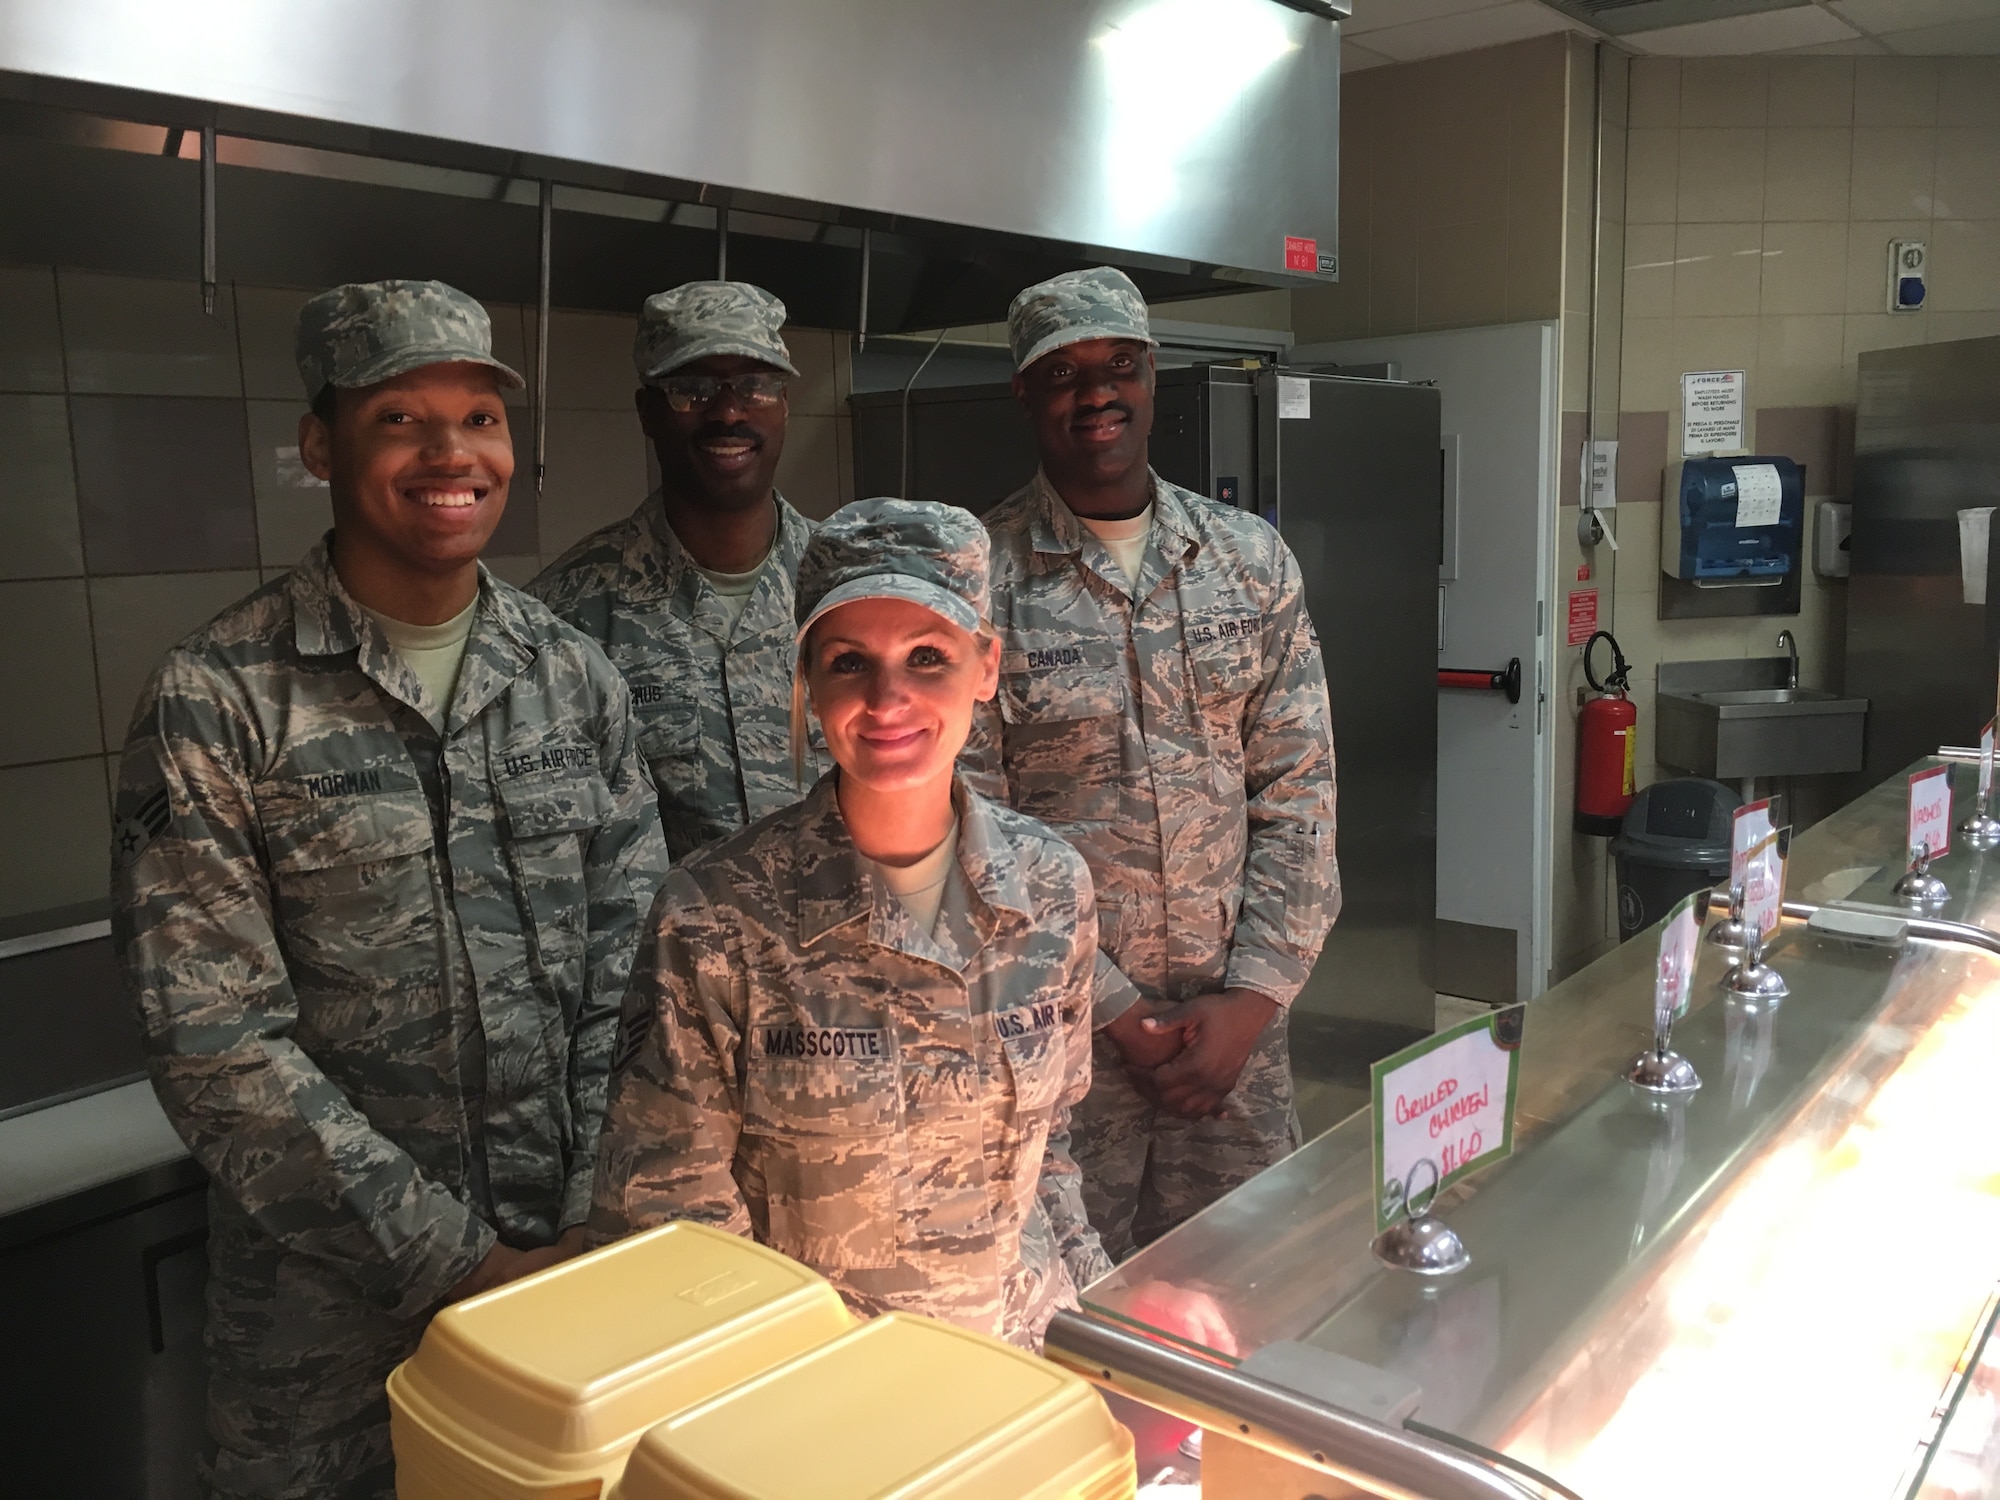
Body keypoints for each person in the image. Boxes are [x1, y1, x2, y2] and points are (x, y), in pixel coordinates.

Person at [110, 279, 672, 1500]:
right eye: (399, 420)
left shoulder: (573, 677)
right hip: (324, 1325)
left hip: (569, 1263)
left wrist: (583, 1218)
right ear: (320, 446)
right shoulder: (220, 699)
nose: (449, 455)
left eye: (477, 417)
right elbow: (215, 1046)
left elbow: (635, 971)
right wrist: (458, 1263)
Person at [590, 499, 1111, 1349]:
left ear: (988, 666)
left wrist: (1102, 1333)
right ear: (806, 681)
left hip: (1016, 1383)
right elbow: (667, 1225)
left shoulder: (1050, 889)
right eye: (848, 662)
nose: (887, 698)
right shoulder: (717, 917)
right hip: (817, 1410)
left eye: (928, 657)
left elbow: (1048, 1159)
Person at [963, 266, 1341, 1261]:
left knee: (1247, 1300)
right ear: (1022, 394)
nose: (1096, 394)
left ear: (1151, 375)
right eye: (1062, 375)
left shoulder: (1246, 562)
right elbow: (973, 835)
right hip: (1065, 1052)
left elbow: (1299, 794)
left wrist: (1253, 1000)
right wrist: (1121, 1016)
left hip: (1238, 1053)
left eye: (1117, 366)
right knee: (1073, 1325)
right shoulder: (978, 584)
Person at [533, 280, 821, 862]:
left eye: (756, 384)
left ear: (785, 403)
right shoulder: (564, 620)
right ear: (648, 412)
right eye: (690, 389)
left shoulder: (851, 590)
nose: (729, 410)